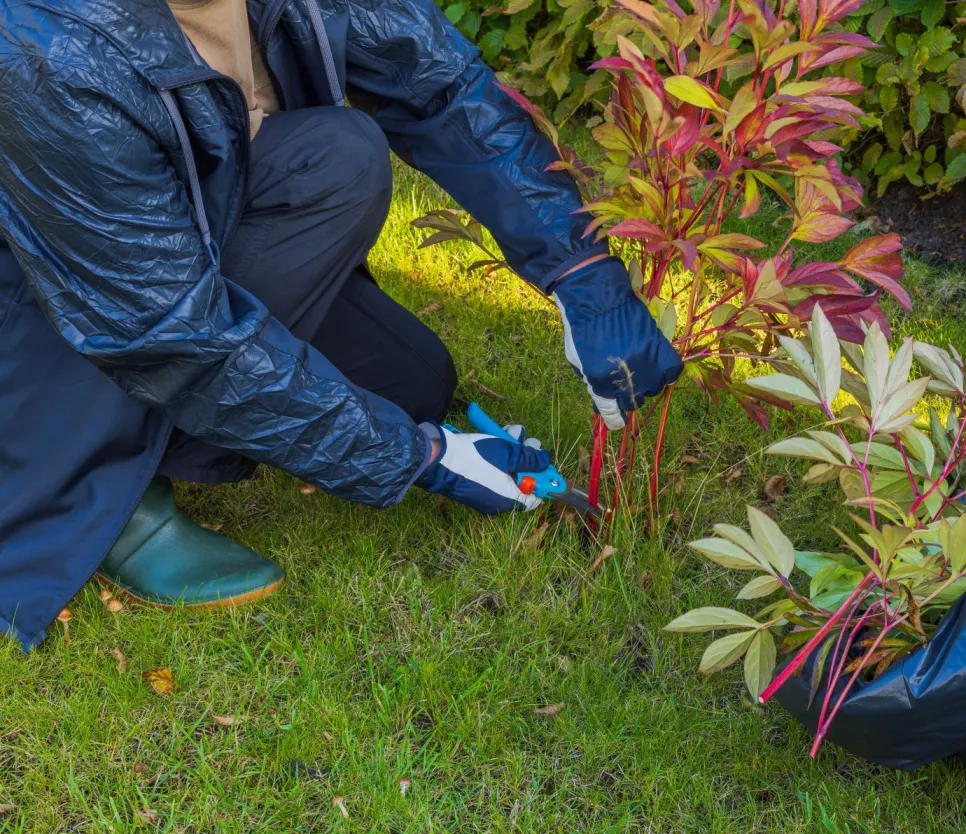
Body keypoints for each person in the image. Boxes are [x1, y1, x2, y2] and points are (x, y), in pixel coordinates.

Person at [0, 0, 683, 649]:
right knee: (332, 174)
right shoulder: (47, 43)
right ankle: (113, 492)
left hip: (207, 213)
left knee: (413, 377)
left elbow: (439, 84)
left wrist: (583, 276)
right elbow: (165, 327)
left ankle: (190, 430)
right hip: (73, 294)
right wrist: (420, 457)